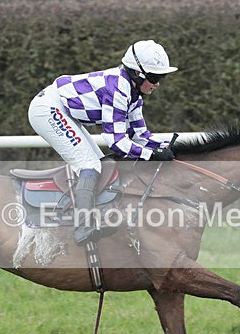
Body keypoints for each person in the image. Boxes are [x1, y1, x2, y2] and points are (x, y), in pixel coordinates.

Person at [28, 39, 178, 245]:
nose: (157, 83)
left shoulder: (134, 94)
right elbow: (117, 142)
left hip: (65, 110)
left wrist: (168, 146)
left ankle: (98, 216)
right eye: (154, 77)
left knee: (103, 165)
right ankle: (82, 227)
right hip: (48, 109)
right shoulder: (117, 89)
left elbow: (142, 135)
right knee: (89, 165)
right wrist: (150, 154)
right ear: (137, 73)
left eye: (162, 77)